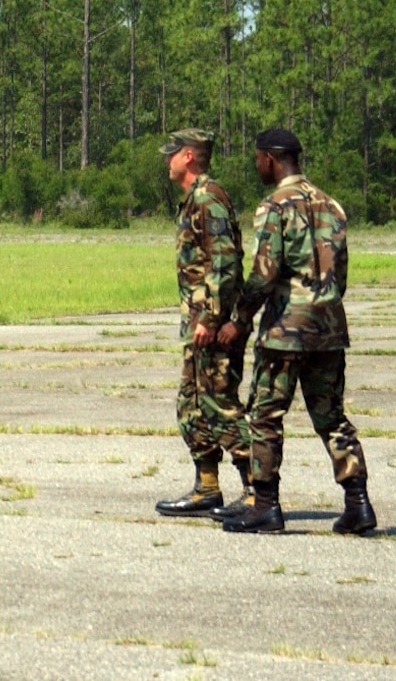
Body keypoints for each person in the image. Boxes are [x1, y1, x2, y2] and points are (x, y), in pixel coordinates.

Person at [217, 128, 377, 536]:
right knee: (332, 417)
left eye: (258, 159)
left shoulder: (275, 205)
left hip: (286, 331)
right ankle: (358, 503)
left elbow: (264, 273)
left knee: (266, 415)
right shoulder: (332, 204)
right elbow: (339, 273)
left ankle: (265, 506)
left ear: (271, 159)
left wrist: (240, 318)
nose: (256, 166)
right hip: (328, 328)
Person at [153, 128, 253, 520]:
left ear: (189, 156)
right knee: (192, 405)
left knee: (220, 405)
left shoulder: (209, 198)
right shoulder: (193, 199)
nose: (168, 160)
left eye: (172, 154)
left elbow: (226, 262)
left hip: (212, 324)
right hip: (196, 323)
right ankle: (207, 487)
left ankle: (255, 491)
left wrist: (211, 317)